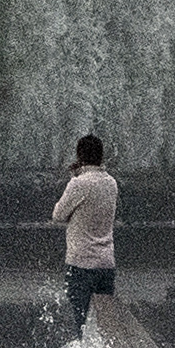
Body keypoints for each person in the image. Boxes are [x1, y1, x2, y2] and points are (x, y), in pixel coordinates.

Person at [50, 133, 119, 332]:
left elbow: (58, 215)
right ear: (101, 156)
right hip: (106, 263)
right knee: (104, 327)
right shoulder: (111, 183)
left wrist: (75, 177)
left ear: (79, 156)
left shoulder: (79, 184)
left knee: (79, 322)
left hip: (81, 263)